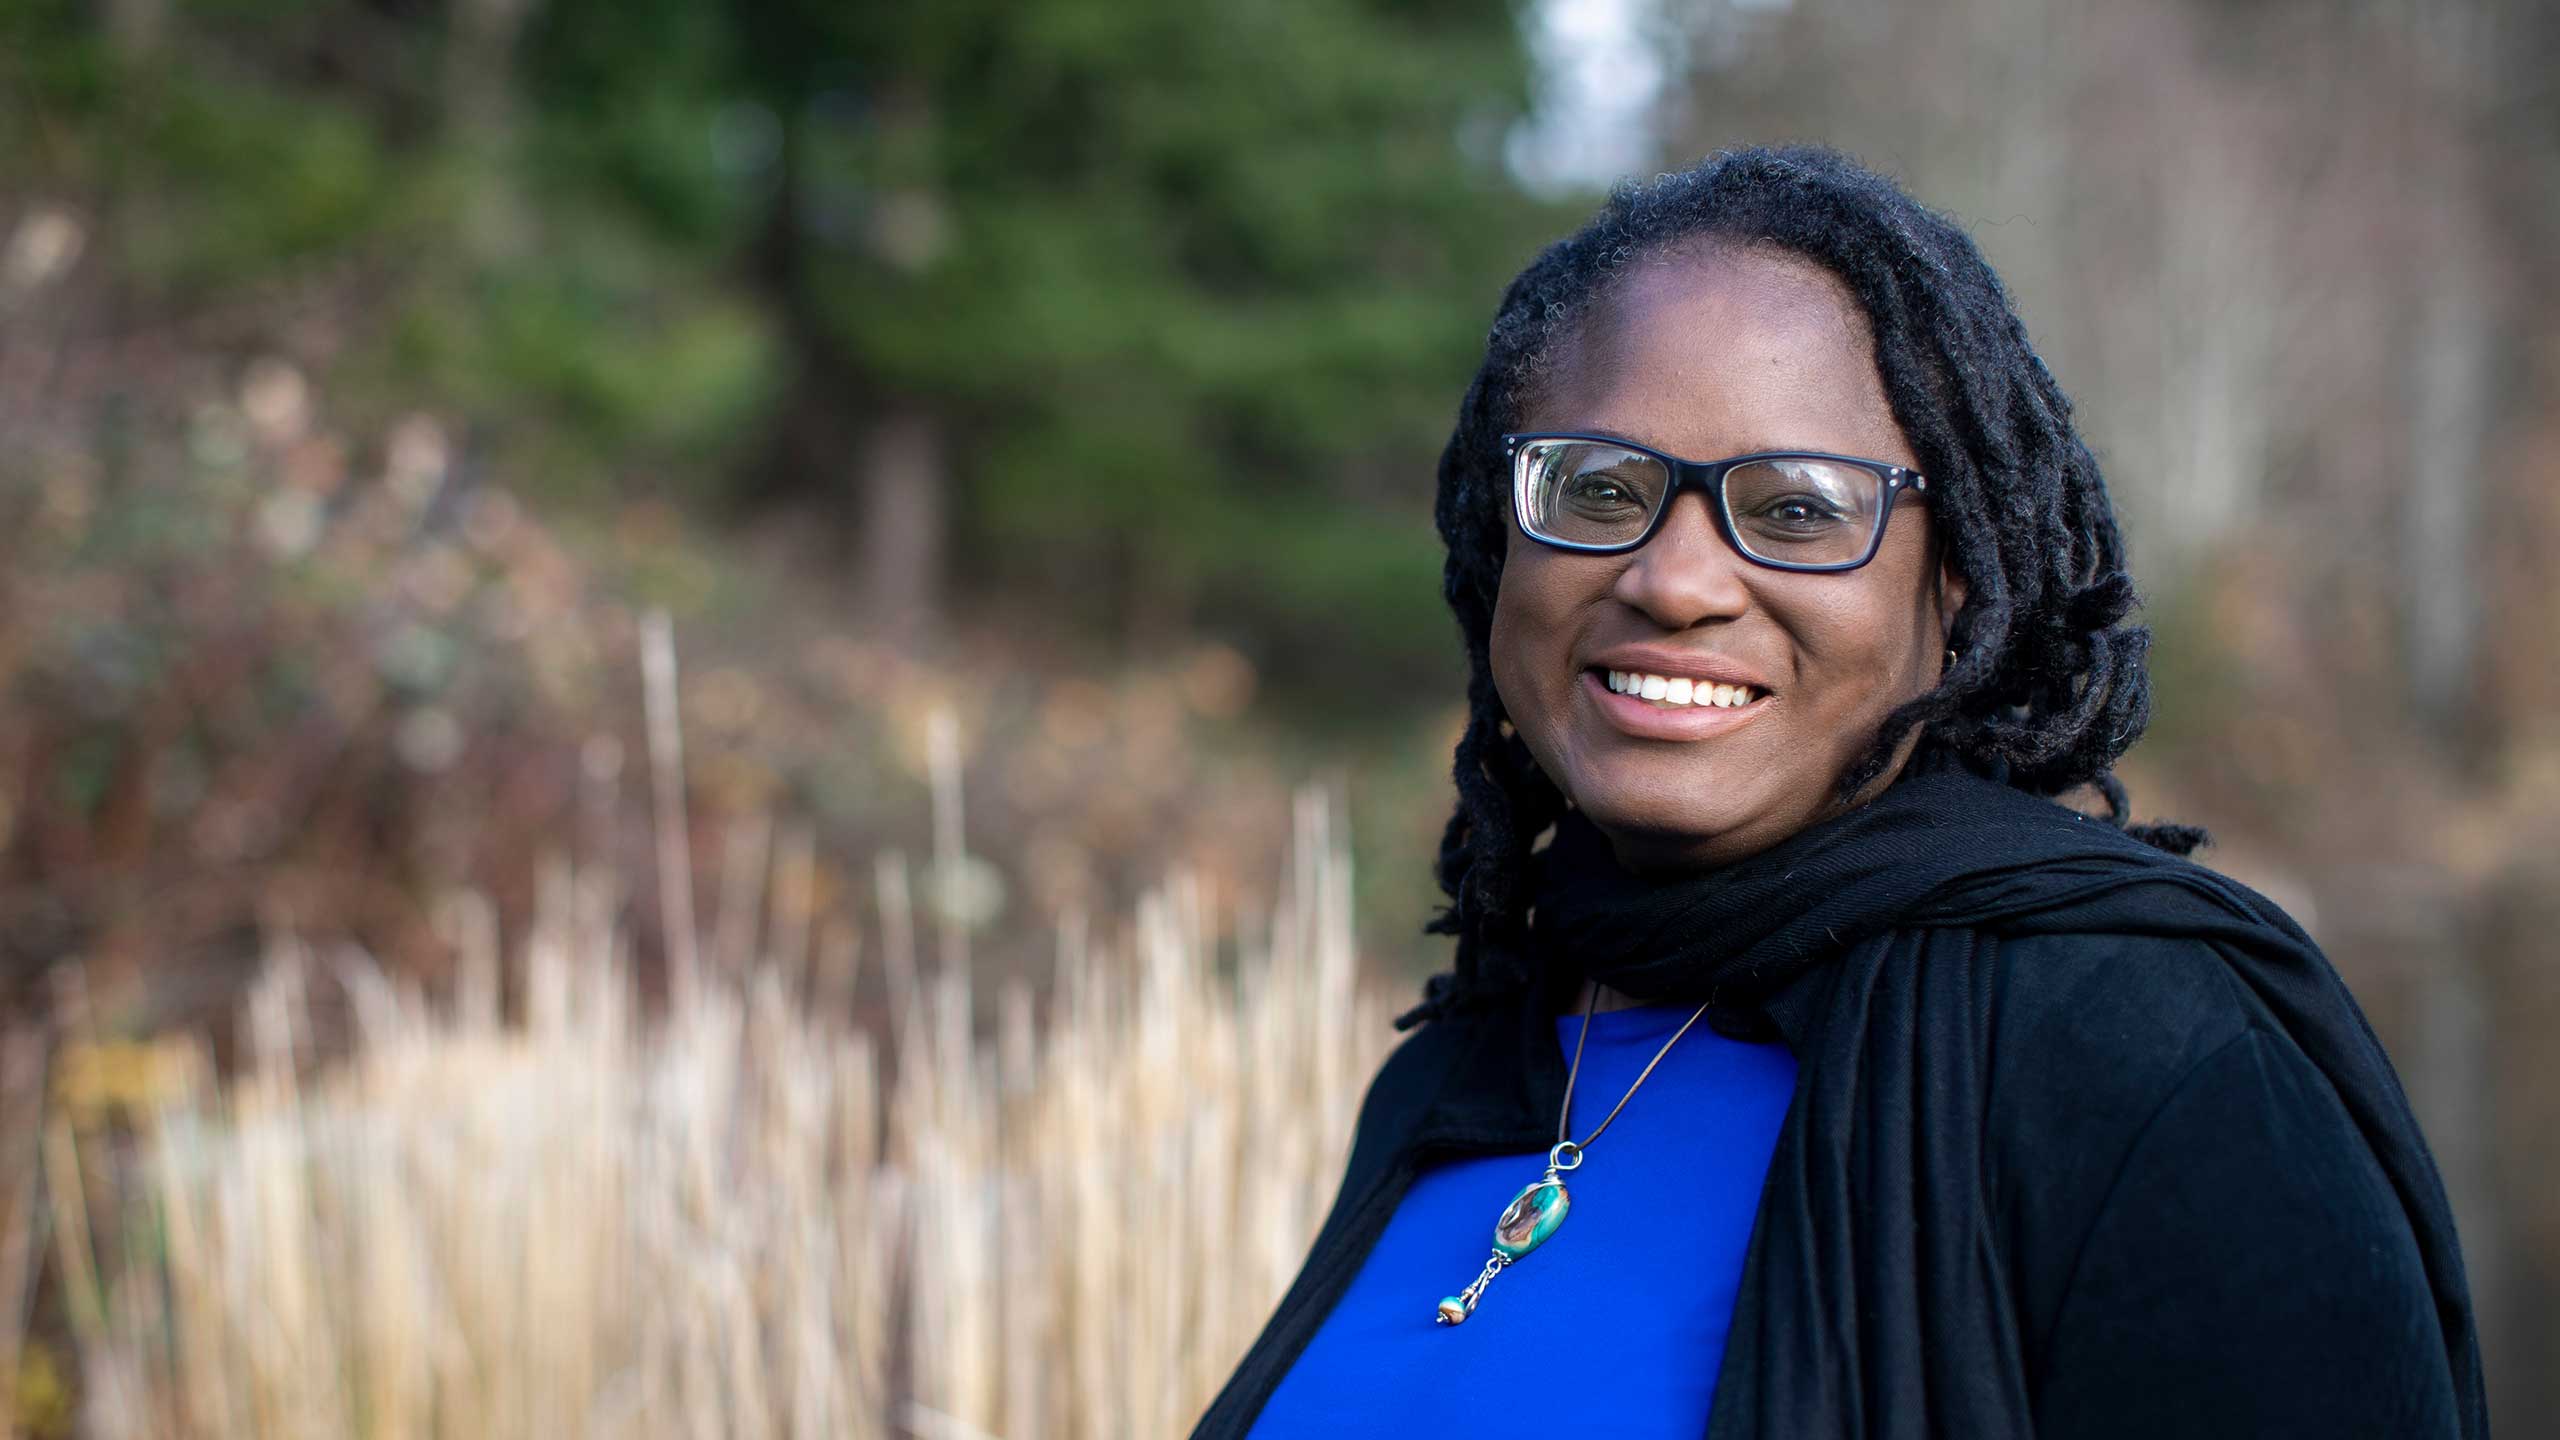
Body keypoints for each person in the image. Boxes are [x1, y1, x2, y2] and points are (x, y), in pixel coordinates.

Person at [1191, 148, 2487, 1438]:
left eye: (1798, 510)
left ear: (1959, 578)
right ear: (1502, 535)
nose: (1674, 579)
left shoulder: (2153, 1055)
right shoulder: (1464, 1071)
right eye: (1599, 490)